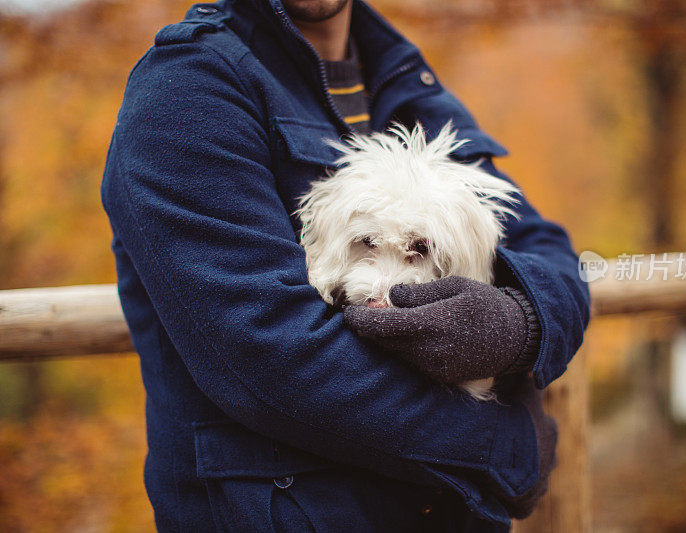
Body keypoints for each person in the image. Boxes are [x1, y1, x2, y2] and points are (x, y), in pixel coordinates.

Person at [100, 0, 590, 531]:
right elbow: (269, 359)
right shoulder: (188, 89)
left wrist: (520, 322)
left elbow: (549, 250)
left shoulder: (403, 81)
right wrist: (502, 444)